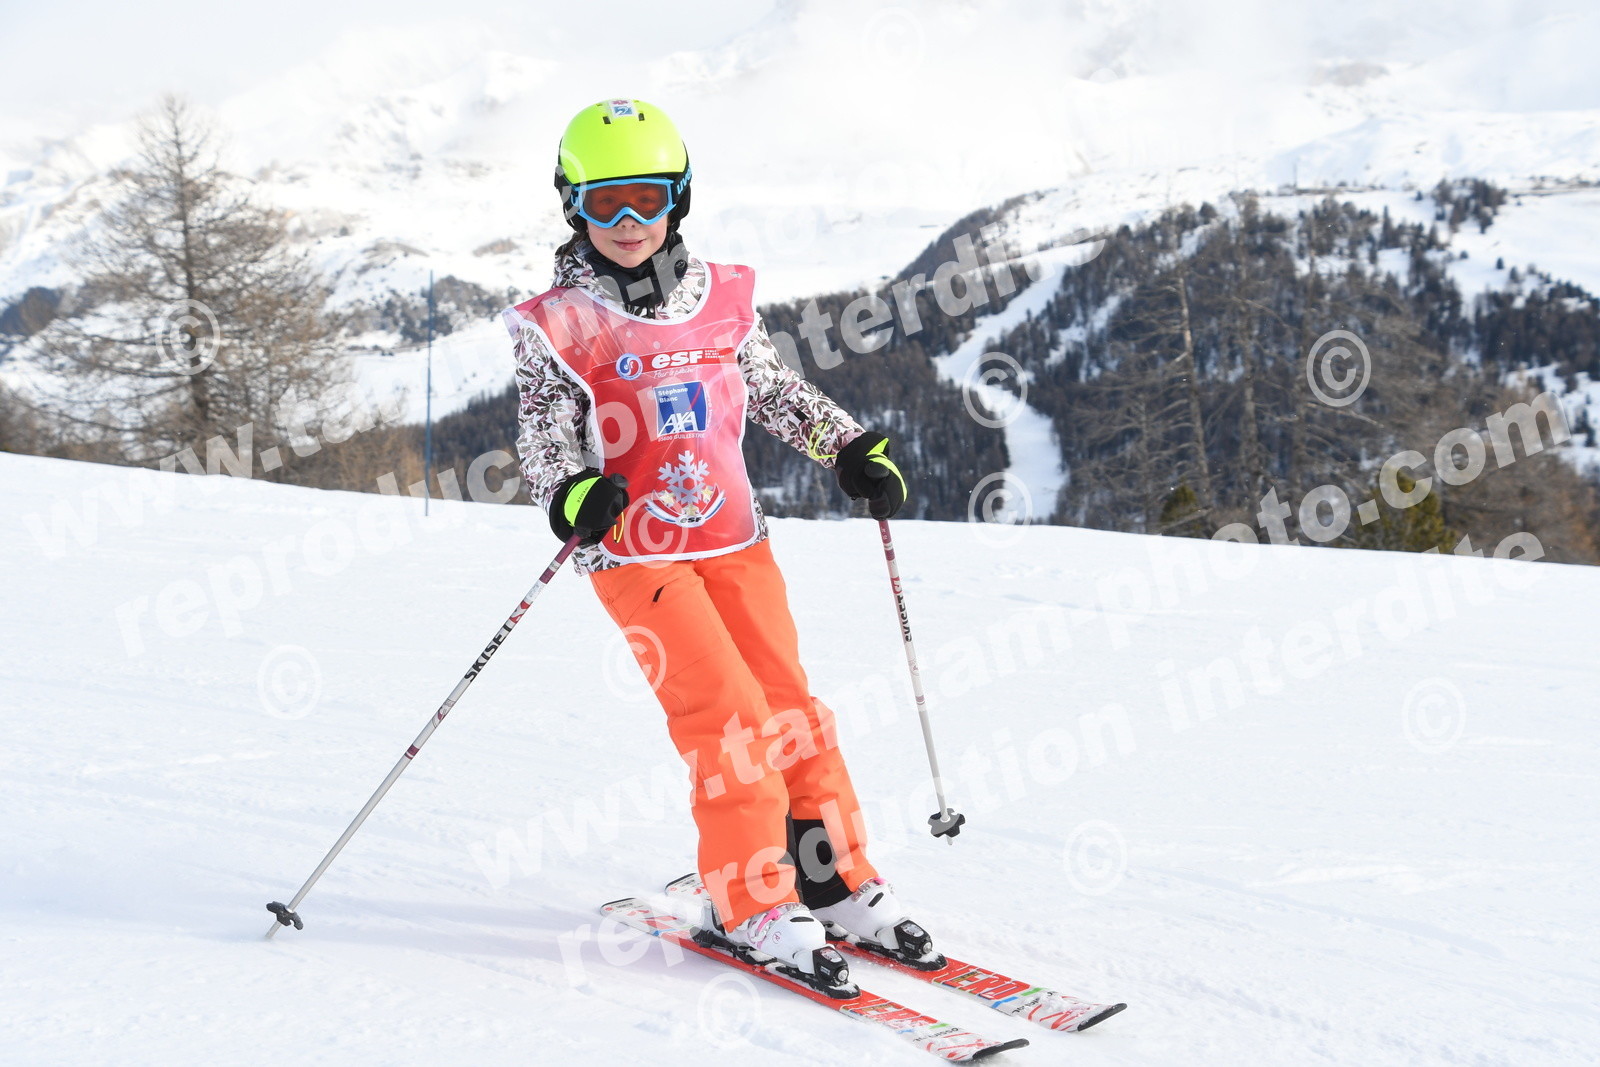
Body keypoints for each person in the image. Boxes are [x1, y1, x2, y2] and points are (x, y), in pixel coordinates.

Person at [503, 98, 928, 985]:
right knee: (729, 718)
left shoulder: (722, 298)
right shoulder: (556, 323)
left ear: (681, 197)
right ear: (573, 205)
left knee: (791, 708)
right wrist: (572, 489)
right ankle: (751, 902)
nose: (628, 221)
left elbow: (771, 391)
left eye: (648, 198)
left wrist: (848, 446)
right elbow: (543, 435)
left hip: (734, 535)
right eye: (605, 202)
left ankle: (832, 880)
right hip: (635, 552)